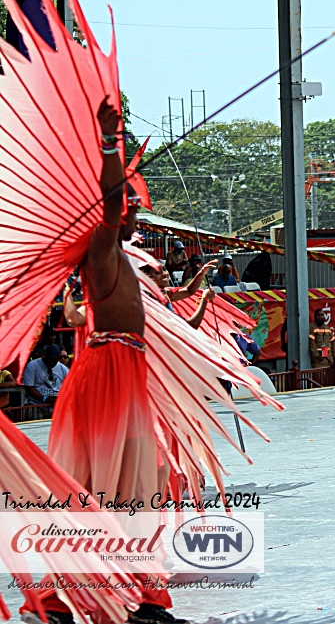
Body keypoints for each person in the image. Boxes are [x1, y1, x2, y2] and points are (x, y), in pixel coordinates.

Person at [27, 100, 186, 624]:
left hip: (125, 369)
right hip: (105, 373)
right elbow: (113, 201)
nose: (133, 215)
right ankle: (58, 600)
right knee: (94, 488)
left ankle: (139, 598)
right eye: (130, 210)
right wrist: (108, 138)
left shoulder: (119, 258)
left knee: (136, 488)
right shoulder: (99, 248)